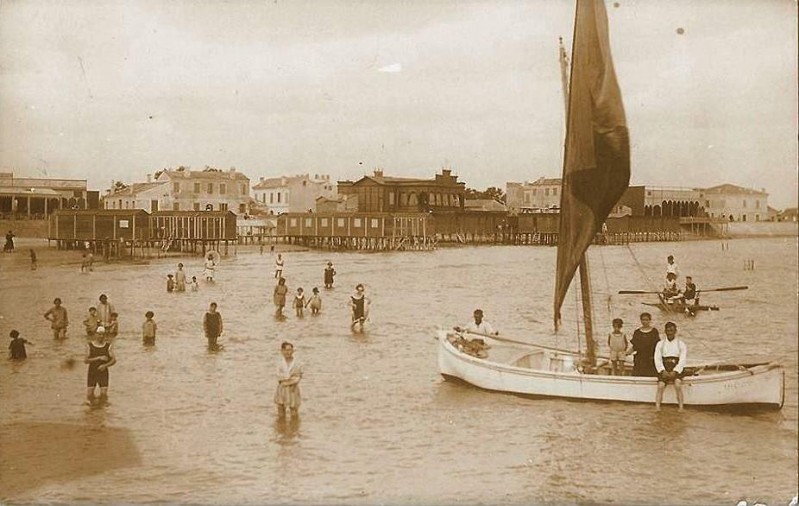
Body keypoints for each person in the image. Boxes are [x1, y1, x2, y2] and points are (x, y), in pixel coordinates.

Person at [654, 322, 688, 411]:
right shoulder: (660, 344)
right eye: (668, 330)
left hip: (676, 368)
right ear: (665, 331)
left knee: (677, 384)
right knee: (660, 386)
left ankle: (681, 407)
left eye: (672, 330)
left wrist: (675, 371)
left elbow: (682, 360)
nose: (670, 332)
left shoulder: (681, 344)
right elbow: (657, 358)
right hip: (664, 368)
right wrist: (662, 370)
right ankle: (657, 407)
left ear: (675, 331)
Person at [84, 326, 116, 406]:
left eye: (103, 335)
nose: (101, 336)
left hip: (103, 372)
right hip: (92, 372)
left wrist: (105, 365)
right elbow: (86, 360)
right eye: (99, 334)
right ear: (95, 334)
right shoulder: (90, 345)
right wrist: (99, 358)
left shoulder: (108, 346)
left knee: (103, 395)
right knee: (90, 395)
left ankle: (101, 414)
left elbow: (114, 360)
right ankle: (93, 413)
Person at [274, 341, 302, 418]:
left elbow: (299, 376)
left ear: (293, 351)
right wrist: (288, 378)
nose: (288, 352)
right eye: (286, 350)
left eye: (290, 350)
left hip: (293, 388)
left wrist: (289, 381)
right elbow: (278, 375)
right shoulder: (279, 362)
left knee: (294, 410)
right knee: (281, 409)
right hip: (282, 387)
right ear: (282, 351)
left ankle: (294, 428)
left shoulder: (297, 363)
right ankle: (281, 428)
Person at [629, 312, 660, 377]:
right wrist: (626, 353)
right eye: (643, 320)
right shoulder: (637, 332)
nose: (644, 322)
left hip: (651, 358)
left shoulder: (654, 331)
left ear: (649, 320)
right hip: (640, 359)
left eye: (646, 320)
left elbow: (658, 346)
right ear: (641, 320)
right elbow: (635, 347)